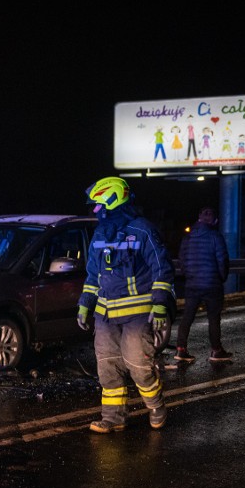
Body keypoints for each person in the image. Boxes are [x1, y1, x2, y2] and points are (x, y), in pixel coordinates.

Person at [76, 176, 175, 433]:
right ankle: (112, 418)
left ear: (112, 199)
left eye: (98, 205)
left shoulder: (143, 230)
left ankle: (156, 406)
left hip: (136, 315)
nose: (95, 210)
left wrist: (161, 304)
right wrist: (86, 303)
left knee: (139, 366)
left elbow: (162, 269)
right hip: (106, 315)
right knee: (107, 367)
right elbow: (92, 274)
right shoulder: (100, 233)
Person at [174, 206, 232, 364]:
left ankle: (181, 349)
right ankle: (216, 350)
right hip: (212, 284)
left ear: (199, 218)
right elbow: (222, 260)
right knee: (213, 318)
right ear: (214, 220)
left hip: (192, 284)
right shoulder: (215, 236)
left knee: (187, 317)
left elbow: (181, 260)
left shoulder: (188, 237)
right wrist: (221, 277)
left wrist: (189, 275)